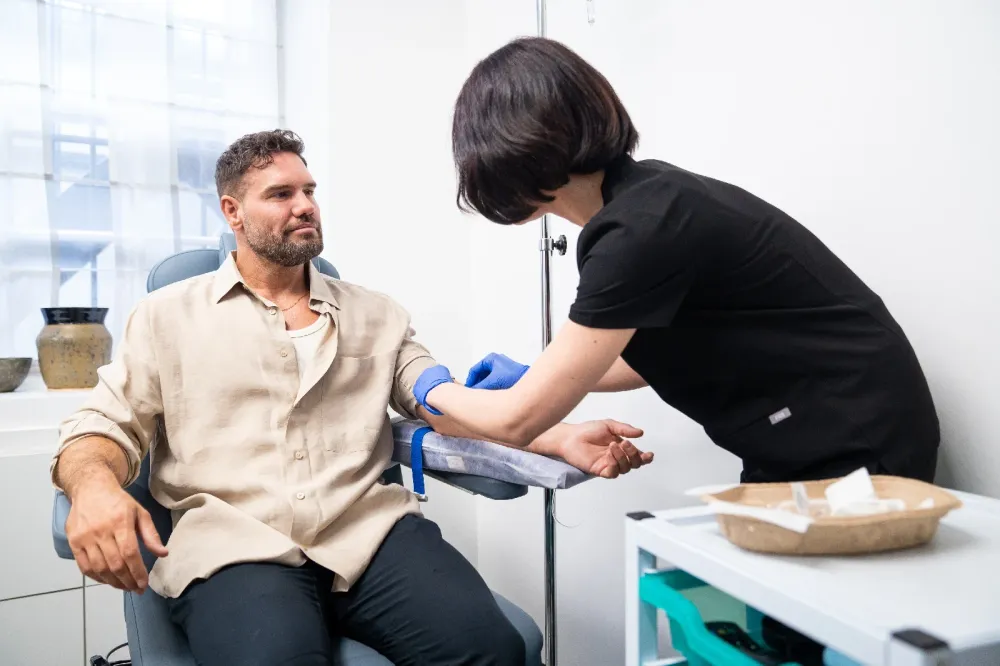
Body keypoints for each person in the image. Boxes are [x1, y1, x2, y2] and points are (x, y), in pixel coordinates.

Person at [50, 129, 653, 666]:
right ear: (233, 211)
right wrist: (95, 487)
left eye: (309, 190)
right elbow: (104, 423)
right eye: (281, 194)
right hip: (235, 543)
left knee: (490, 649)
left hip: (368, 534)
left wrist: (558, 436)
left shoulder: (376, 314)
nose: (305, 205)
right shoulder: (166, 318)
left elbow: (442, 401)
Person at [414, 36, 940, 488]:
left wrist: (430, 387)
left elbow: (516, 422)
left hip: (851, 433)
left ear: (513, 151)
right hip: (818, 425)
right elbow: (654, 353)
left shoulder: (639, 231)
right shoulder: (646, 199)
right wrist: (543, 374)